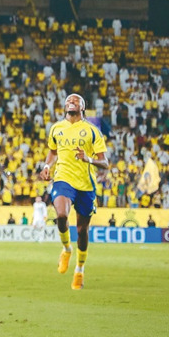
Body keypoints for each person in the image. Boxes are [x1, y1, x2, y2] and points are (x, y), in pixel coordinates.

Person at [40, 94, 109, 290]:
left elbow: (105, 163)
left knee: (82, 230)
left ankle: (79, 269)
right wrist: (47, 165)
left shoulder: (91, 131)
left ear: (82, 107)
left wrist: (88, 159)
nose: (71, 101)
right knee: (61, 215)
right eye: (69, 99)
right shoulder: (56, 128)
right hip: (63, 179)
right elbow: (53, 151)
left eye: (76, 100)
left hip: (86, 185)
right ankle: (66, 248)